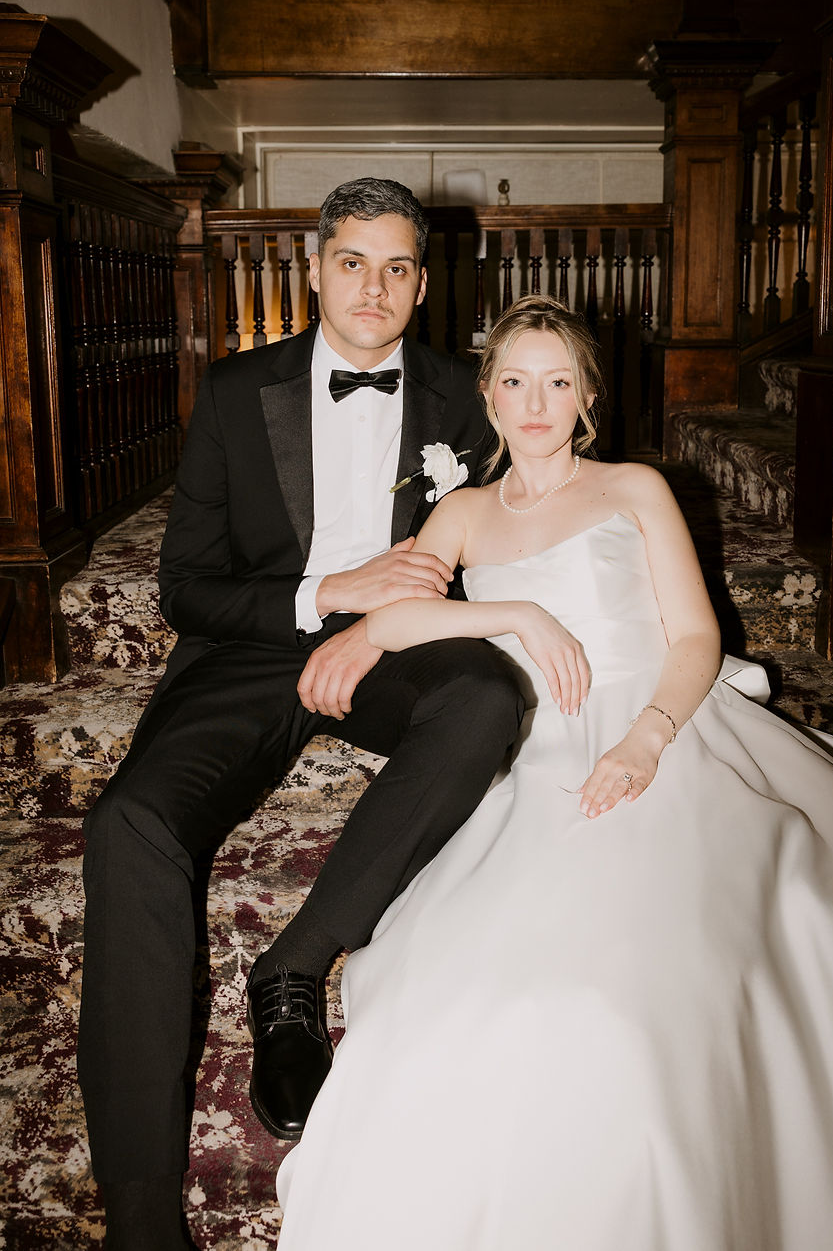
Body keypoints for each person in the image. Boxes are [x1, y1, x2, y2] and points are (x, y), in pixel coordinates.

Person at [276, 294, 833, 1251]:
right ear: (487, 396)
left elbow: (695, 637)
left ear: (586, 398)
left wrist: (647, 737)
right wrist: (512, 617)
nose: (535, 402)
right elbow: (392, 621)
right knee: (483, 991)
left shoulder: (634, 489)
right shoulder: (463, 511)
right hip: (537, 753)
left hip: (664, 729)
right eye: (516, 381)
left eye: (556, 382)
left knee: (675, 970)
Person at [77, 178, 525, 1251]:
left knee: (484, 698)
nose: (375, 287)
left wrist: (386, 624)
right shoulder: (237, 390)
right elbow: (182, 586)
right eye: (354, 262)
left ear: (424, 282)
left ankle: (294, 962)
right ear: (315, 267)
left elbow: (514, 536)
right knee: (127, 825)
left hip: (394, 654)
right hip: (251, 649)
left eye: (400, 266)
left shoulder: (468, 396)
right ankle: (139, 1218)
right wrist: (324, 599)